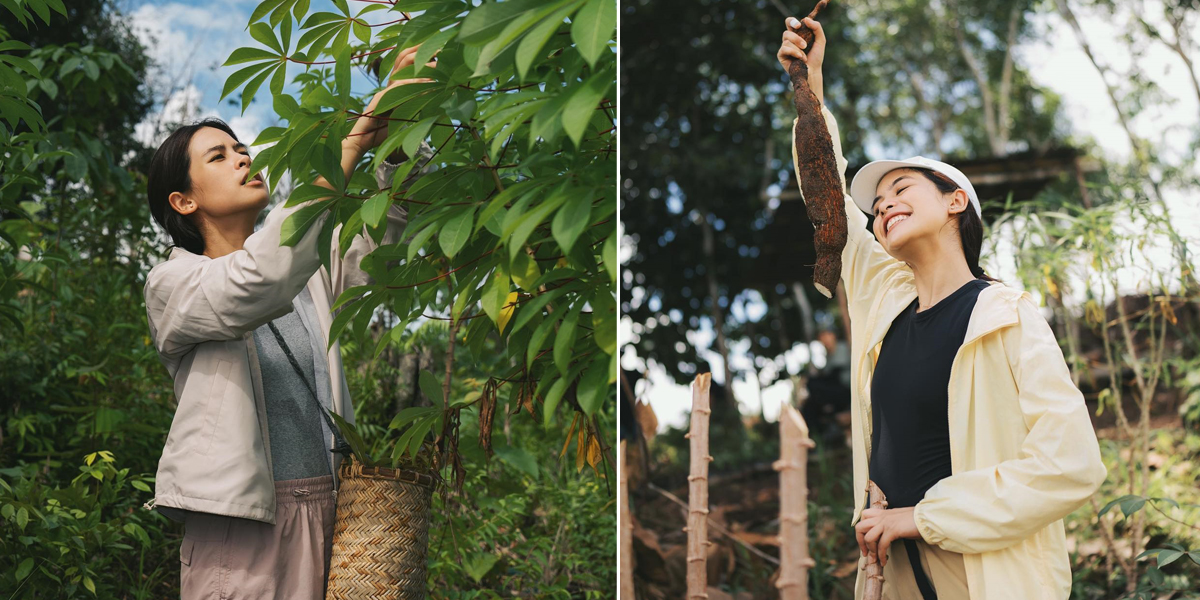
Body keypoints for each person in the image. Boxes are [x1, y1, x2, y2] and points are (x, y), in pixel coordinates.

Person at [777, 16, 1106, 600]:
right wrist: (810, 86)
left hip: (985, 578)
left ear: (957, 201)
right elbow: (828, 194)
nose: (884, 206)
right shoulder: (886, 303)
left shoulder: (1006, 316)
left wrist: (919, 517)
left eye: (902, 189)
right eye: (878, 204)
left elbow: (1071, 463)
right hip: (897, 577)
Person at [140, 45, 436, 599]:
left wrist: (403, 127)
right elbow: (258, 280)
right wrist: (348, 143)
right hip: (243, 527)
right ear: (183, 202)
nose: (243, 158)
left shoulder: (305, 268)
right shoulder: (173, 287)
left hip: (334, 511)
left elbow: (384, 233)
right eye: (219, 157)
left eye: (241, 148)